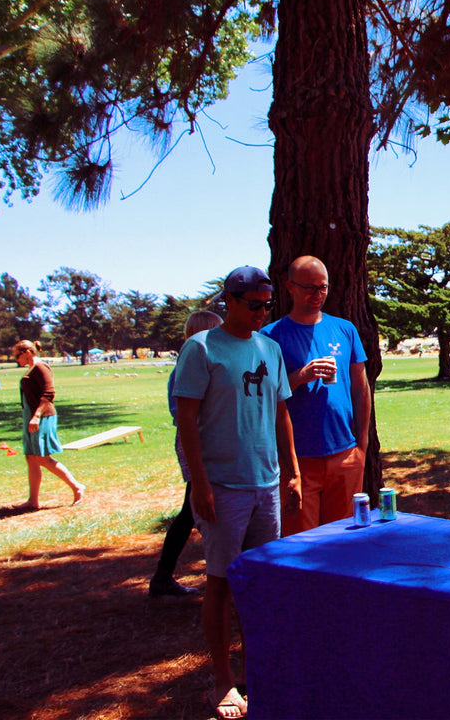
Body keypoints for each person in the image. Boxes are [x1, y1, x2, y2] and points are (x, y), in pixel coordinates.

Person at [173, 266, 301, 720]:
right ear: (229, 300)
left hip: (265, 483)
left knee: (261, 581)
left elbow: (281, 411)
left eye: (268, 305)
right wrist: (200, 483)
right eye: (254, 305)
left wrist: (293, 471)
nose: (263, 312)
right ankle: (222, 680)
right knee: (222, 583)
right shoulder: (201, 349)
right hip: (222, 487)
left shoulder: (269, 347)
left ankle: (260, 669)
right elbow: (186, 419)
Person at [261, 255, 370, 535]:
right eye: (309, 288)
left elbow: (360, 386)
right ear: (290, 288)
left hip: (345, 453)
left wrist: (363, 444)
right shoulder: (270, 336)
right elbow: (264, 397)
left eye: (322, 287)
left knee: (344, 539)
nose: (317, 294)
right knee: (300, 541)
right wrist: (300, 376)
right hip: (297, 460)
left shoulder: (345, 329)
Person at [149, 310, 222, 598]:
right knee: (194, 508)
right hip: (199, 445)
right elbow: (184, 416)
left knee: (193, 512)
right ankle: (164, 577)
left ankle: (163, 576)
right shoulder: (186, 368)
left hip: (211, 443)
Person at [14, 340, 86, 510]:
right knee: (31, 457)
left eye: (18, 355)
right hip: (31, 417)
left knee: (42, 457)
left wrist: (36, 416)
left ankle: (77, 487)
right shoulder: (31, 368)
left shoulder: (41, 367)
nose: (16, 359)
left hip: (42, 417)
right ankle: (33, 501)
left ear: (28, 352)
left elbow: (49, 393)